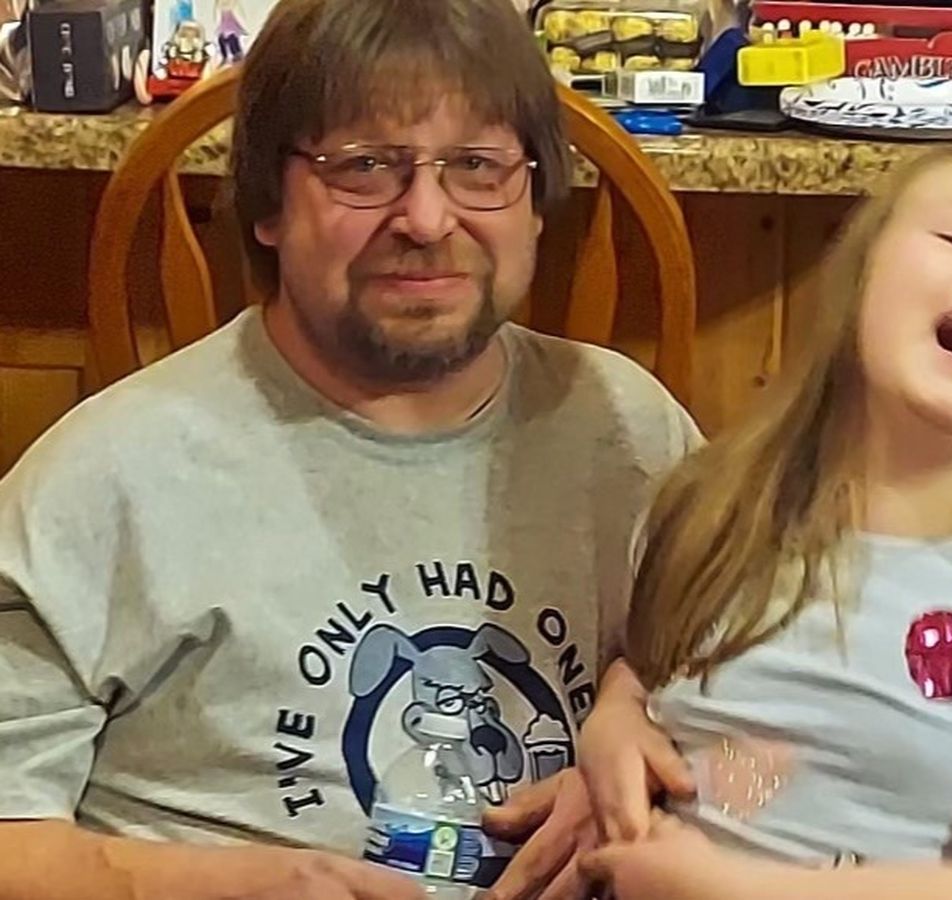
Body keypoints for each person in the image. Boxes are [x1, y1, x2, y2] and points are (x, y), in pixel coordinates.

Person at [0, 0, 700, 898]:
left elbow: (782, 705)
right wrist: (238, 889)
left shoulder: (630, 428)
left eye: (477, 166)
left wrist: (640, 731)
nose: (427, 219)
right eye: (365, 167)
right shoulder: (105, 479)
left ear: (533, 205)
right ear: (267, 205)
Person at [576, 150, 952, 900]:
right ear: (852, 296)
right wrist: (616, 715)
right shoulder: (706, 513)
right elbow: (654, 664)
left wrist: (729, 889)